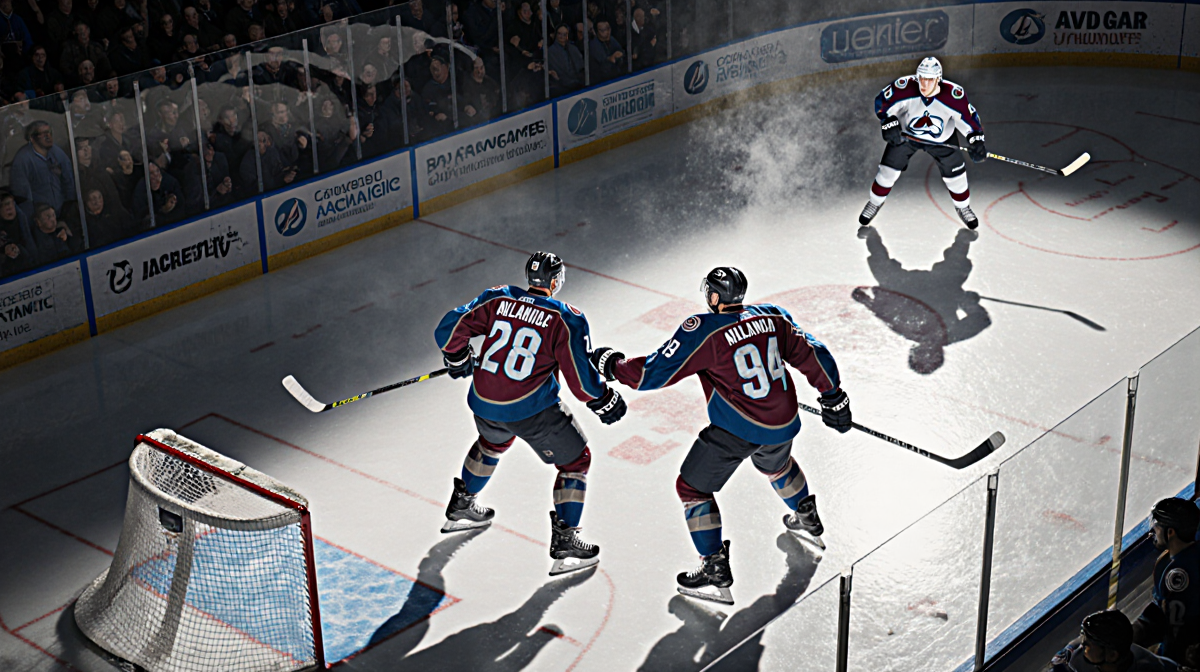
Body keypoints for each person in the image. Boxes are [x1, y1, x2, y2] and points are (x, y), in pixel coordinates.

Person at [591, 267, 851, 605]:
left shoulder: (703, 330)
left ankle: (714, 570)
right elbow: (812, 352)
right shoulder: (773, 317)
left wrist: (612, 364)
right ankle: (807, 518)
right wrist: (832, 395)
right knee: (777, 464)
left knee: (692, 488)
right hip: (783, 421)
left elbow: (650, 374)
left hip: (737, 429)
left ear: (714, 297)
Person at [433, 251, 627, 576]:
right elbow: (580, 380)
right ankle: (566, 540)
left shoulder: (498, 297)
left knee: (491, 443)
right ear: (555, 281)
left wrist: (456, 356)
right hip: (531, 411)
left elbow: (449, 329)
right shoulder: (567, 318)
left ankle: (462, 504)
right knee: (576, 462)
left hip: (484, 401)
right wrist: (603, 399)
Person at [861, 56, 985, 230]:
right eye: (921, 79)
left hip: (943, 141)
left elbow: (968, 119)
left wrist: (976, 140)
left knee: (957, 178)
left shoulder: (953, 95)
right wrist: (887, 121)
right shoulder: (904, 86)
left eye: (929, 80)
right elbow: (882, 102)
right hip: (907, 137)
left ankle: (963, 207)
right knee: (887, 172)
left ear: (938, 80)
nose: (924, 84)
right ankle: (874, 203)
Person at [1134, 498, 1200, 661]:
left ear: (1170, 532)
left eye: (1156, 529)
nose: (1152, 533)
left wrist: (1165, 659)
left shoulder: (1177, 574)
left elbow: (1176, 629)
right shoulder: (1190, 554)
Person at [1051, 609, 1179, 672]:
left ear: (1112, 655)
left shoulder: (1150, 668)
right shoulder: (1071, 658)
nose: (1082, 643)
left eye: (1090, 642)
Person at [11, 121, 75, 220]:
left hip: (63, 212)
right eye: (44, 134)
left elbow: (69, 180)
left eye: (50, 132)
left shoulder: (57, 152)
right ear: (32, 138)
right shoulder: (22, 159)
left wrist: (69, 208)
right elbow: (22, 196)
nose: (48, 136)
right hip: (39, 218)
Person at [546, 24, 582, 97]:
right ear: (556, 34)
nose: (562, 36)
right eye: (559, 34)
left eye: (565, 34)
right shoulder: (551, 51)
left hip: (577, 82)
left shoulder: (573, 48)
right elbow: (558, 70)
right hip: (562, 86)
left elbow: (580, 65)